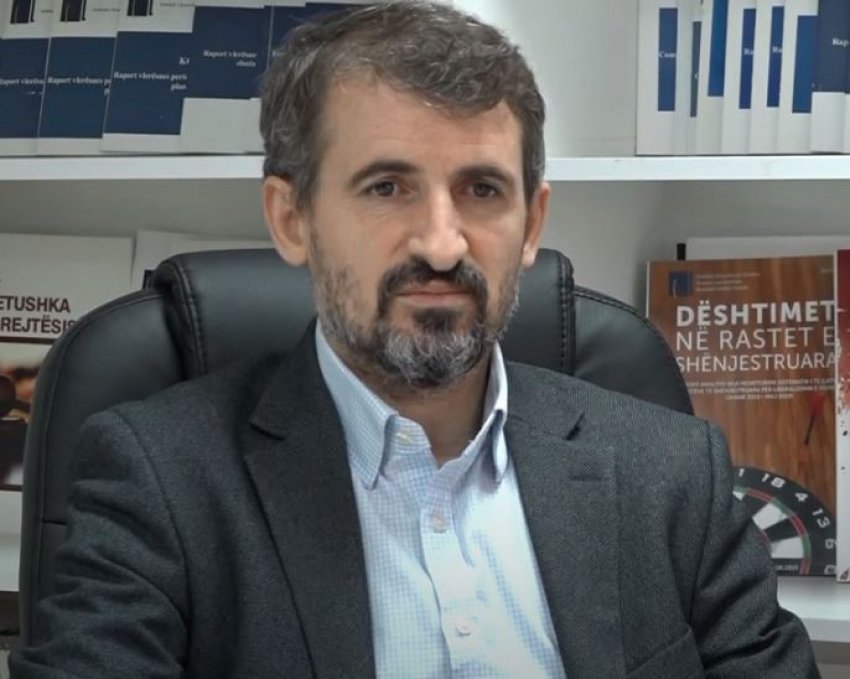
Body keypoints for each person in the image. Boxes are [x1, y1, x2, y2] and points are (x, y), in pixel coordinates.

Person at [10, 2, 819, 677]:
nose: (441, 242)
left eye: (482, 189)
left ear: (532, 222)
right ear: (291, 219)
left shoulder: (670, 472)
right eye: (387, 186)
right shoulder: (160, 478)